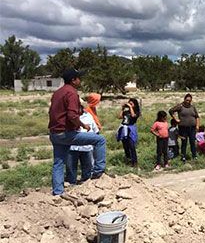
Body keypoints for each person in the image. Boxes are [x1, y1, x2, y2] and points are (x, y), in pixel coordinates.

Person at [48, 68, 106, 196]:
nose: (80, 80)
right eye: (78, 78)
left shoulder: (57, 93)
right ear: (73, 80)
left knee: (58, 162)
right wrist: (83, 125)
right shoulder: (72, 92)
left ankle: (58, 192)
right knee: (100, 140)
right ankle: (98, 171)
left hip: (54, 133)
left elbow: (56, 111)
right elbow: (72, 116)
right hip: (66, 133)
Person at [66, 106, 99, 185]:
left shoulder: (88, 116)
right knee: (71, 167)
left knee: (87, 167)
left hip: (86, 147)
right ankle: (71, 183)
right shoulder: (68, 117)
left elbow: (96, 130)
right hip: (72, 146)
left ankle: (86, 184)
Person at [169, 94, 200, 162]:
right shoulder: (180, 106)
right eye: (187, 100)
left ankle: (194, 156)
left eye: (189, 100)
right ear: (184, 99)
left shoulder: (193, 107)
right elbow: (171, 111)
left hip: (192, 128)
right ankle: (183, 156)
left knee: (192, 142)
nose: (188, 101)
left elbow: (197, 117)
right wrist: (176, 119)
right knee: (184, 142)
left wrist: (197, 125)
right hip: (183, 127)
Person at [117, 98, 140, 167]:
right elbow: (119, 117)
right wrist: (122, 109)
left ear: (134, 105)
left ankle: (134, 162)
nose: (129, 105)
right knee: (125, 146)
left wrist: (130, 107)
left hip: (131, 128)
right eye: (129, 103)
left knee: (131, 145)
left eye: (131, 104)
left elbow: (133, 116)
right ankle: (128, 160)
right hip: (124, 128)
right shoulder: (126, 112)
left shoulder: (137, 112)